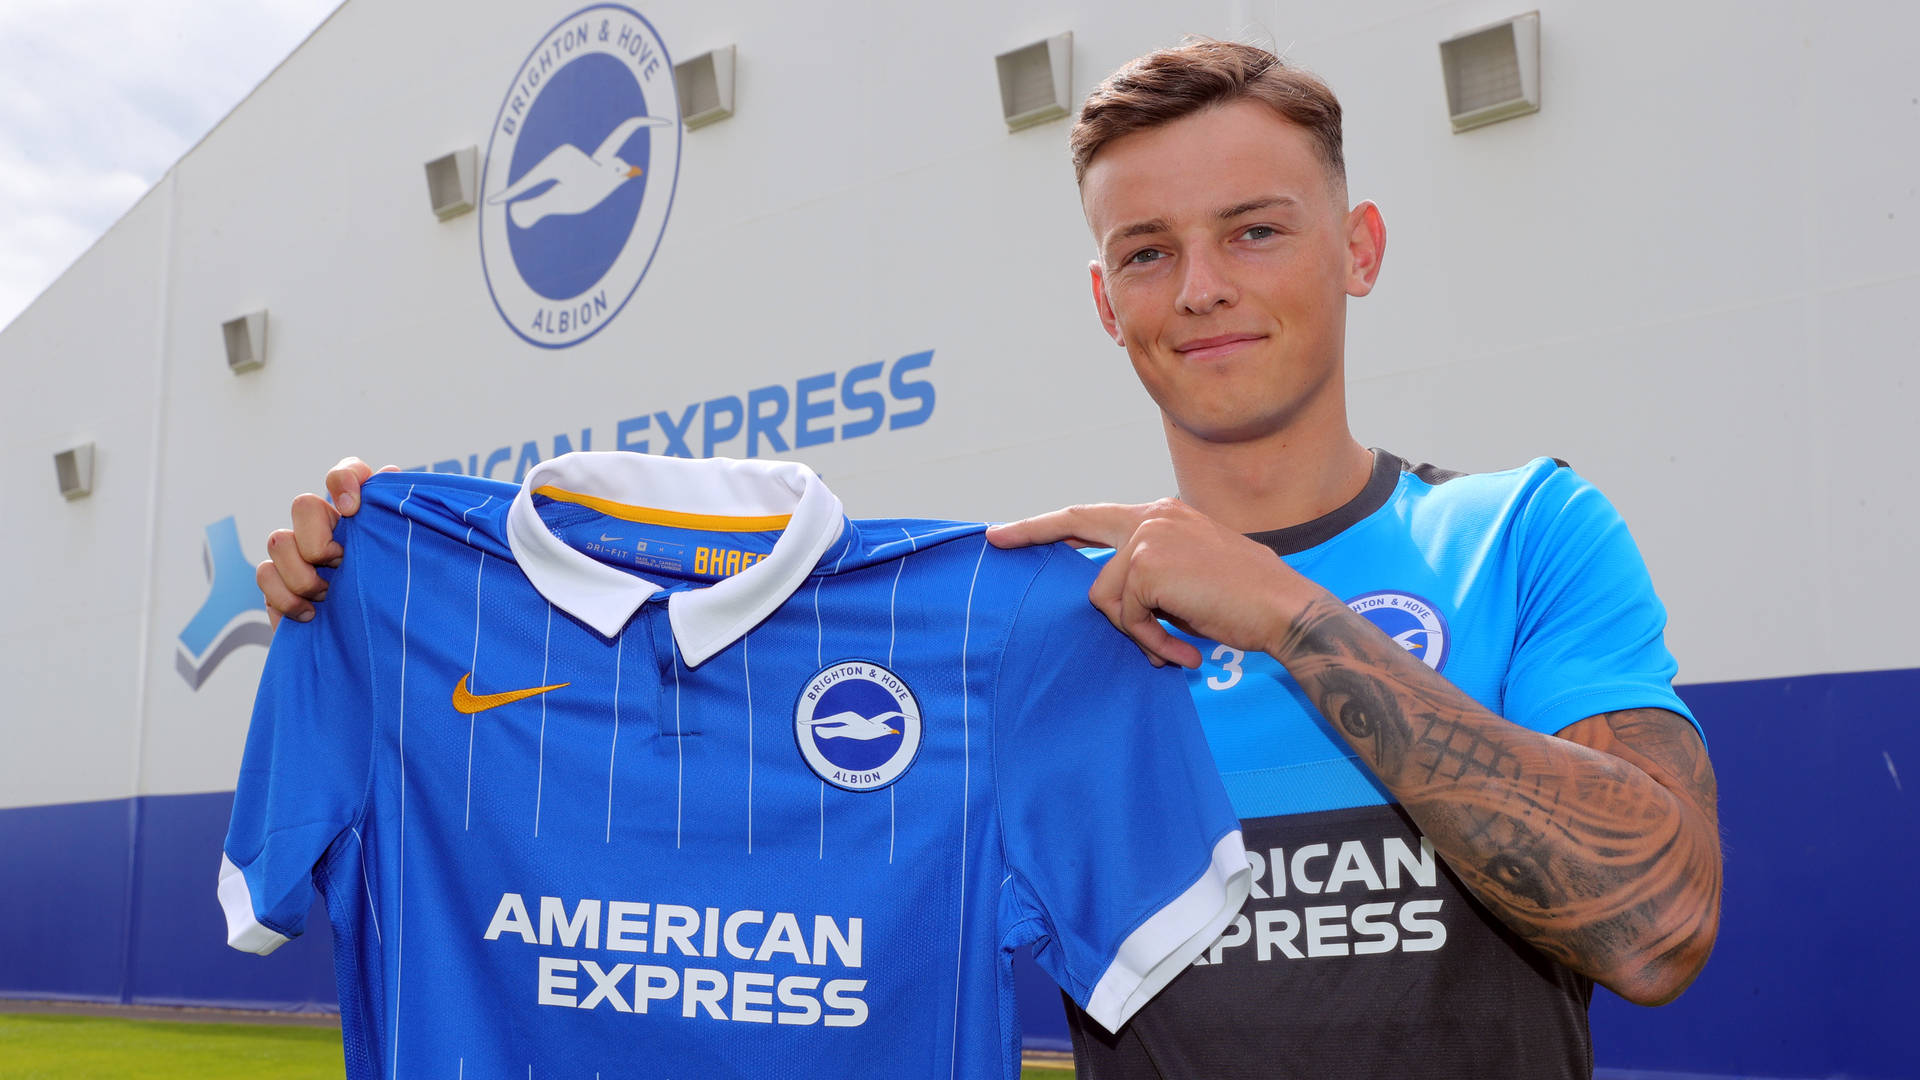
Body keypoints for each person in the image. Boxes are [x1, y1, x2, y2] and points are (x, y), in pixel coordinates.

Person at [258, 39, 1719, 1080]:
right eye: (1146, 251)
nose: (1200, 285)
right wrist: (371, 586)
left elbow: (1659, 928)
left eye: (1256, 231)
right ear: (1103, 300)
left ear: (1361, 248)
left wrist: (1287, 616)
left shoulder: (1526, 530)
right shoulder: (1044, 627)